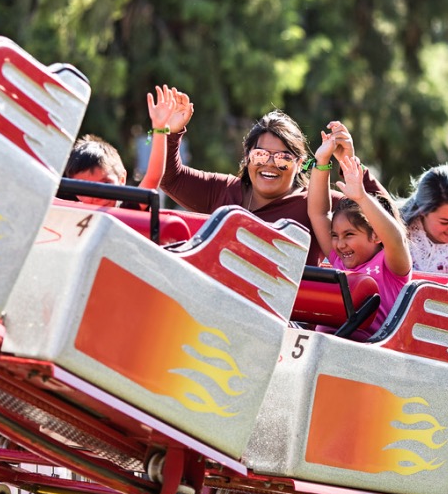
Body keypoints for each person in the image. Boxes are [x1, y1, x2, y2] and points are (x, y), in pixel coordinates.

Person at [159, 106, 385, 266]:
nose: (269, 164)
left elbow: (387, 220)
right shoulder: (224, 190)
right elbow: (170, 178)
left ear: (299, 164)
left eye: (282, 158)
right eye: (260, 155)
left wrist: (349, 164)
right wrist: (170, 132)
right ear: (247, 157)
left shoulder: (316, 203)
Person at [307, 127, 412, 340]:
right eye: (335, 236)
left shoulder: (392, 266)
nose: (339, 244)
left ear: (376, 236)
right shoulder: (339, 259)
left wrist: (362, 197)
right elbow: (318, 213)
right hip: (326, 347)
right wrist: (322, 162)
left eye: (349, 235)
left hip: (367, 354)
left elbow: (395, 238)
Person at [64, 85, 190, 208]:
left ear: (122, 179)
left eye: (106, 183)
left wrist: (160, 127)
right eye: (86, 189)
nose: (98, 194)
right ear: (76, 192)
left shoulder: (127, 208)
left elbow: (153, 176)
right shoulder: (69, 212)